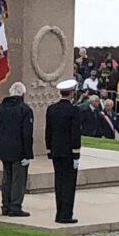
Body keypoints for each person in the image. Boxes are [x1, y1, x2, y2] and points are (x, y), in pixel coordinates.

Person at [0, 82, 34, 217]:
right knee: (18, 179)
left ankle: (5, 205)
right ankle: (15, 206)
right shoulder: (24, 110)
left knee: (7, 178)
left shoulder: (1, 108)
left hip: (4, 148)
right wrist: (27, 154)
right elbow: (27, 133)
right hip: (19, 150)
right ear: (23, 94)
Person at [46, 79, 81, 224]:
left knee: (59, 183)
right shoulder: (74, 110)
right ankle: (65, 214)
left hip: (55, 151)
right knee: (68, 184)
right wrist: (76, 154)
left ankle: (58, 212)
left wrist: (49, 149)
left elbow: (48, 131)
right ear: (72, 93)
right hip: (68, 152)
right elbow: (75, 134)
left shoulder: (51, 109)